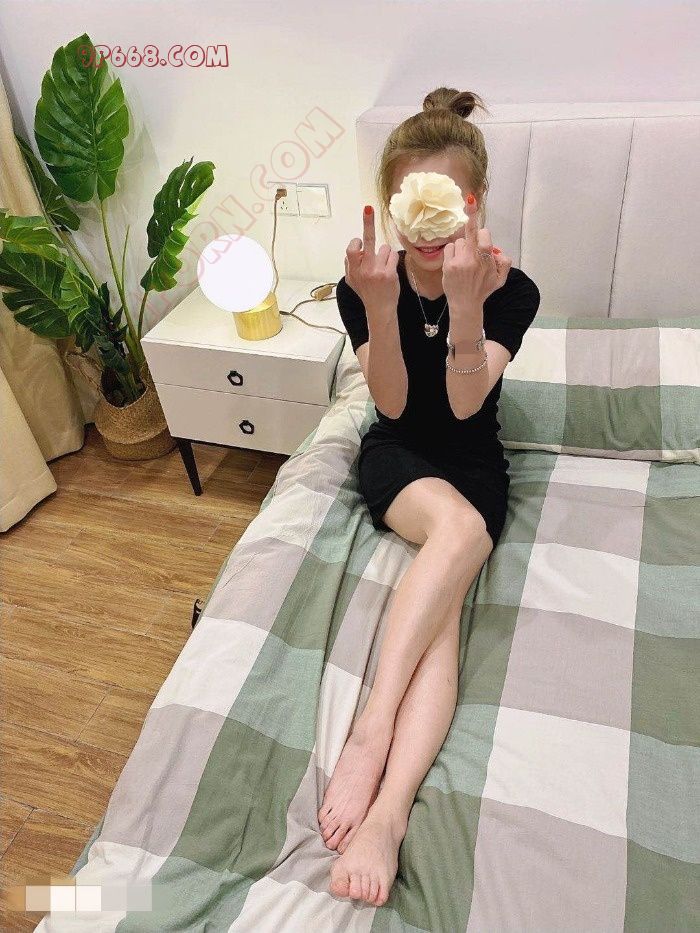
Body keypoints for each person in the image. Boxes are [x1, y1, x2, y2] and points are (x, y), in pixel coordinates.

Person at [321, 87, 541, 908]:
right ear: (389, 204)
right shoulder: (364, 284)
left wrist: (467, 305)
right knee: (455, 532)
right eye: (409, 202)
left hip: (473, 463)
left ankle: (387, 808)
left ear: (472, 204)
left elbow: (464, 404)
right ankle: (376, 735)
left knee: (441, 609)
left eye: (444, 202)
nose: (426, 226)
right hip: (400, 459)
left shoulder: (512, 290)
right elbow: (391, 405)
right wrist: (380, 306)